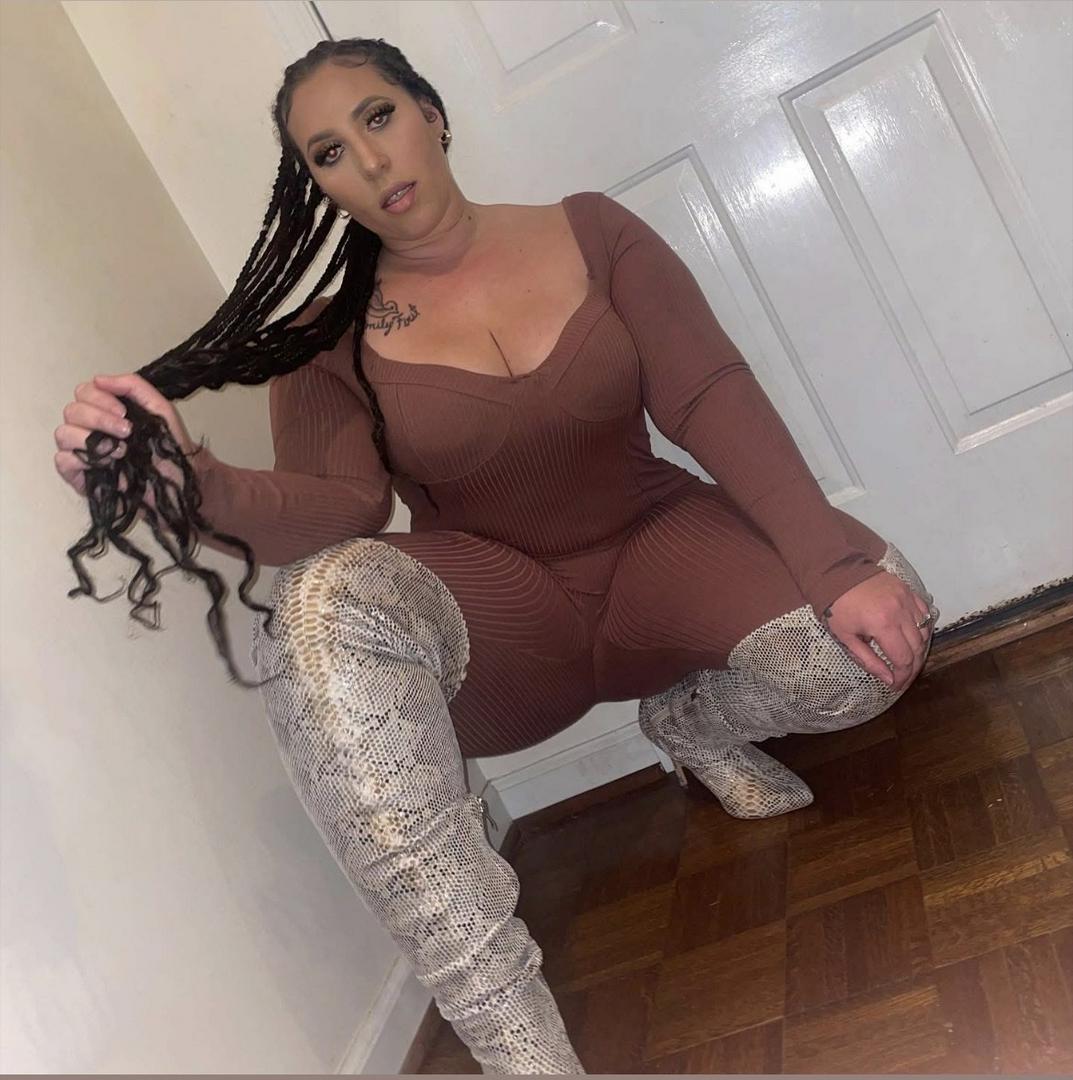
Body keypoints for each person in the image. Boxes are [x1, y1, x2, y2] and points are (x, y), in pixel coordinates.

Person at [53, 36, 939, 1075]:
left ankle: (688, 724)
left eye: (378, 117)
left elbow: (709, 397)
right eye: (329, 154)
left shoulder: (591, 232)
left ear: (430, 112)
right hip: (508, 624)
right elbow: (337, 510)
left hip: (659, 547)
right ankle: (525, 1056)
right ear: (317, 186)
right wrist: (187, 481)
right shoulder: (325, 339)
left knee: (867, 648)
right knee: (318, 606)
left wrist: (836, 572)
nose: (369, 161)